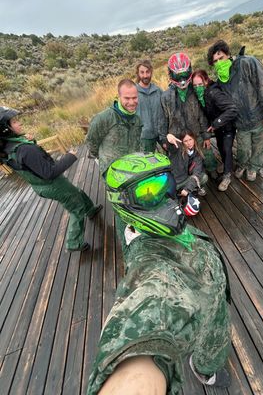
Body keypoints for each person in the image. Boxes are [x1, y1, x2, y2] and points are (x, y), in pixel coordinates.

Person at [87, 152, 231, 395]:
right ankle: (204, 369)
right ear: (125, 203)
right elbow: (148, 311)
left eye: (166, 184)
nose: (166, 198)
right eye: (148, 193)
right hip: (205, 319)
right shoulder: (153, 266)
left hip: (212, 299)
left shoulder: (142, 225)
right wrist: (136, 369)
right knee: (211, 347)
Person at [0, 106, 102, 252]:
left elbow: (28, 163)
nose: (19, 123)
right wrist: (70, 157)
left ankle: (91, 210)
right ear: (5, 129)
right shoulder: (25, 149)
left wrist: (31, 141)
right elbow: (49, 172)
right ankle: (73, 242)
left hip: (40, 185)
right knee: (76, 208)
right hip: (52, 184)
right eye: (14, 122)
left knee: (75, 193)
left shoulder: (8, 147)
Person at [207, 41, 263, 181]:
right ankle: (242, 164)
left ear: (228, 55)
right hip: (241, 123)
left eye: (221, 58)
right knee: (243, 149)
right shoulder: (221, 81)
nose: (219, 62)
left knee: (259, 147)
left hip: (260, 117)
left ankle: (254, 168)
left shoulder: (247, 63)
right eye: (215, 61)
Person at [158, 53, 217, 175]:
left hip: (196, 135)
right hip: (177, 138)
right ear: (171, 74)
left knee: (208, 155)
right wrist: (164, 139)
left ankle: (213, 172)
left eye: (185, 75)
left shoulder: (195, 90)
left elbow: (202, 115)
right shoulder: (166, 96)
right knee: (180, 165)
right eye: (178, 76)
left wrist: (206, 135)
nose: (182, 80)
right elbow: (162, 119)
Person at [86, 79, 142, 177]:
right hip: (111, 171)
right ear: (119, 97)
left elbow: (137, 143)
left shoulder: (137, 119)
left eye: (134, 97)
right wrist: (103, 160)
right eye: (127, 98)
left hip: (132, 168)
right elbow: (91, 142)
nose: (132, 102)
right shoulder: (103, 118)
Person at [192, 69, 237, 191]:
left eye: (200, 84)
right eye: (195, 85)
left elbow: (232, 109)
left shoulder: (213, 93)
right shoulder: (201, 95)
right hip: (217, 128)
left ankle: (227, 176)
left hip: (227, 126)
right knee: (222, 148)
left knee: (227, 150)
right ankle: (226, 165)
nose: (197, 88)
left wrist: (217, 122)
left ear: (206, 81)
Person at [166, 130, 208, 198]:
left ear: (194, 139)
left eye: (190, 139)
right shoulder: (177, 148)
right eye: (185, 141)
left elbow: (196, 173)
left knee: (204, 177)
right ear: (182, 141)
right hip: (173, 181)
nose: (189, 143)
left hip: (185, 180)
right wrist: (169, 138)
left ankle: (191, 189)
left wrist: (187, 189)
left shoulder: (197, 154)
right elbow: (170, 147)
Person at [135, 59, 163, 153]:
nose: (145, 75)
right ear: (138, 74)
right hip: (144, 137)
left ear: (151, 72)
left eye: (147, 72)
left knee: (171, 156)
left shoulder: (158, 91)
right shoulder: (133, 93)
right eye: (142, 72)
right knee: (147, 162)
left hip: (161, 133)